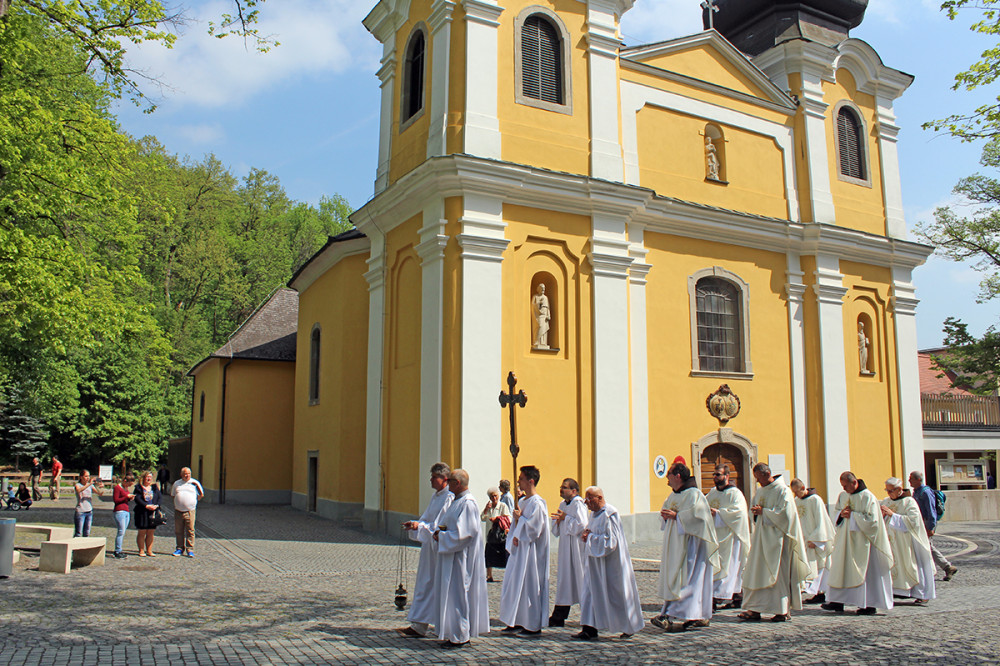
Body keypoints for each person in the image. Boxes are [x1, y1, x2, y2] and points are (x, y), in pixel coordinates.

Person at [653, 462, 720, 632]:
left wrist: (678, 516)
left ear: (677, 476)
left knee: (687, 579)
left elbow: (701, 518)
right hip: (675, 544)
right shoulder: (674, 495)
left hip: (692, 546)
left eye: (668, 474)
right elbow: (666, 513)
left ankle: (671, 615)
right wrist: (666, 516)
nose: (666, 478)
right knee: (676, 576)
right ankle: (694, 616)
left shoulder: (694, 494)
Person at [739, 464, 810, 622]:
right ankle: (755, 609)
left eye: (759, 478)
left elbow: (786, 516)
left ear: (768, 474)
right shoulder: (760, 491)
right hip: (761, 539)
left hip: (779, 541)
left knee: (778, 576)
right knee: (756, 571)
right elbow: (755, 513)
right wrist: (757, 513)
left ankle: (781, 610)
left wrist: (764, 512)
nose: (758, 482)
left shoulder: (783, 490)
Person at [574, 486, 644, 641]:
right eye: (586, 498)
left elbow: (611, 542)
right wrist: (587, 535)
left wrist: (591, 537)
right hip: (595, 563)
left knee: (617, 595)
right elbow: (592, 533)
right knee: (590, 593)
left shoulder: (610, 514)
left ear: (599, 498)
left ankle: (629, 626)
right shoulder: (593, 515)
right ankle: (589, 628)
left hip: (611, 564)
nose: (587, 502)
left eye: (590, 498)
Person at [822, 471, 894, 615]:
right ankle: (837, 601)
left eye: (845, 486)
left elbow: (873, 522)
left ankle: (868, 604)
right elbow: (836, 512)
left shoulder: (868, 497)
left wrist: (853, 516)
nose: (843, 489)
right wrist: (841, 515)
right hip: (845, 541)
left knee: (866, 573)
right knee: (840, 569)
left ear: (854, 483)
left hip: (863, 543)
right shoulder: (843, 496)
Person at [433, 469, 489, 648]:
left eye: (449, 480)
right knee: (452, 594)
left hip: (461, 559)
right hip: (452, 556)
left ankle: (460, 635)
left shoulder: (468, 503)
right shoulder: (456, 501)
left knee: (459, 595)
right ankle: (452, 631)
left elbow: (465, 534)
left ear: (457, 483)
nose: (447, 483)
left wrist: (442, 537)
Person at [397, 462, 454, 639]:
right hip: (429, 549)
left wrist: (419, 526)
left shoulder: (449, 498)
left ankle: (442, 625)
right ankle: (419, 624)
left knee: (435, 585)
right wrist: (416, 526)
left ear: (444, 479)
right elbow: (427, 520)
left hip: (440, 549)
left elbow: (439, 526)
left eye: (434, 477)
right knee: (425, 584)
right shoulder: (436, 496)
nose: (430, 480)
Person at [500, 465, 550, 635]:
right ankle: (516, 620)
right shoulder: (521, 501)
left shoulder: (537, 503)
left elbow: (535, 529)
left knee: (529, 586)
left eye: (521, 479)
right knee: (514, 585)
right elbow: (519, 523)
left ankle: (532, 624)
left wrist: (520, 520)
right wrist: (515, 525)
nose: (518, 482)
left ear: (531, 481)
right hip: (519, 551)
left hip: (531, 553)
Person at [881, 477, 935, 605]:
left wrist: (893, 515)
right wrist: (882, 515)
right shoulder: (886, 501)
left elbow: (914, 522)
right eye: (887, 491)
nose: (889, 494)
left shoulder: (909, 502)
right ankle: (898, 592)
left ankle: (920, 594)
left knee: (914, 565)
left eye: (891, 491)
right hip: (891, 541)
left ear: (899, 489)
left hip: (907, 543)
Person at [706, 464, 749, 611]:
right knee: (716, 565)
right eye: (714, 474)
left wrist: (718, 513)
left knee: (730, 567)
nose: (715, 477)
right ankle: (730, 596)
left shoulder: (735, 494)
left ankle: (721, 596)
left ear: (727, 476)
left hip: (730, 537)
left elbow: (740, 513)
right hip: (716, 536)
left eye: (718, 474)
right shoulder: (712, 493)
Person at [549, 477, 588, 627]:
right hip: (566, 548)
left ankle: (588, 616)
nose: (561, 489)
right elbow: (557, 529)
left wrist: (566, 519)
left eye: (564, 487)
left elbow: (582, 524)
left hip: (577, 549)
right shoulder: (562, 504)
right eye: (561, 486)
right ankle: (559, 616)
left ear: (574, 491)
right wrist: (558, 521)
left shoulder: (579, 504)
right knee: (565, 580)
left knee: (580, 579)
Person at [791, 478, 836, 604]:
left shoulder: (815, 500)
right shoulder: (796, 501)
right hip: (803, 540)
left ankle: (822, 592)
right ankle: (815, 592)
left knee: (820, 566)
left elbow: (822, 521)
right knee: (809, 566)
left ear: (803, 487)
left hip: (815, 541)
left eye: (797, 491)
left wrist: (816, 540)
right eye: (793, 492)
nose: (796, 494)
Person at [909, 470, 958, 581]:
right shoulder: (916, 491)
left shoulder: (925, 492)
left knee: (927, 546)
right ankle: (947, 567)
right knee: (927, 546)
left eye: (911, 478)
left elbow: (931, 511)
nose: (909, 481)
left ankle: (946, 567)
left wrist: (930, 527)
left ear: (919, 480)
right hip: (920, 521)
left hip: (926, 522)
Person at [170, 467, 204, 557]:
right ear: (181, 474)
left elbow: (201, 495)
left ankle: (190, 549)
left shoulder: (194, 483)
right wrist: (180, 502)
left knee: (190, 530)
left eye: (188, 473)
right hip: (178, 511)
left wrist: (192, 502)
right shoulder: (177, 483)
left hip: (190, 511)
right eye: (185, 473)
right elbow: (173, 495)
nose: (187, 475)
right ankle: (179, 548)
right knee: (178, 530)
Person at [481, 487, 511, 582]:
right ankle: (489, 575)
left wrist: (497, 519)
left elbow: (508, 518)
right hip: (490, 535)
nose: (494, 498)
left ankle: (508, 575)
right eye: (492, 496)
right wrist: (486, 509)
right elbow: (482, 518)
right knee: (489, 555)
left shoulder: (502, 506)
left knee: (504, 555)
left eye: (495, 496)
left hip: (500, 535)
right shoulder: (489, 507)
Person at [133, 471, 162, 557]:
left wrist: (156, 506)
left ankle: (149, 550)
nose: (149, 479)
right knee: (142, 532)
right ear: (143, 478)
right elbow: (137, 499)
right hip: (142, 512)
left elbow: (160, 497)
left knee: (150, 532)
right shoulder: (138, 487)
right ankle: (141, 550)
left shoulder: (154, 487)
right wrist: (146, 506)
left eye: (150, 477)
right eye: (147, 477)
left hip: (153, 512)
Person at [73, 470, 105, 537]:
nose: (87, 478)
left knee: (87, 532)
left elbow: (100, 493)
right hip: (80, 511)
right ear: (81, 477)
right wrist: (89, 484)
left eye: (88, 476)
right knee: (78, 532)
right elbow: (78, 490)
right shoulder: (78, 485)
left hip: (89, 511)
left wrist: (101, 487)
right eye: (86, 476)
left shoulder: (90, 486)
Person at [112, 475, 135, 559]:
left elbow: (125, 499)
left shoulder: (125, 489)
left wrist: (129, 498)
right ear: (125, 481)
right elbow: (116, 500)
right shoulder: (117, 488)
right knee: (121, 531)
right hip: (119, 511)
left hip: (126, 510)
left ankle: (120, 549)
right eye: (129, 484)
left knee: (123, 531)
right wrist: (126, 496)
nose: (129, 486)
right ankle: (117, 550)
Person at [532, 283, 551, 349]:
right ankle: (536, 341)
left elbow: (548, 307)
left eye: (544, 288)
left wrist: (548, 315)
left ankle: (543, 343)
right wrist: (539, 303)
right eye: (542, 288)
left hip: (544, 315)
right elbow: (533, 305)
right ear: (539, 289)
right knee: (539, 326)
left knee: (544, 328)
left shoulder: (545, 297)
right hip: (538, 314)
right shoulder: (535, 296)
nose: (543, 289)